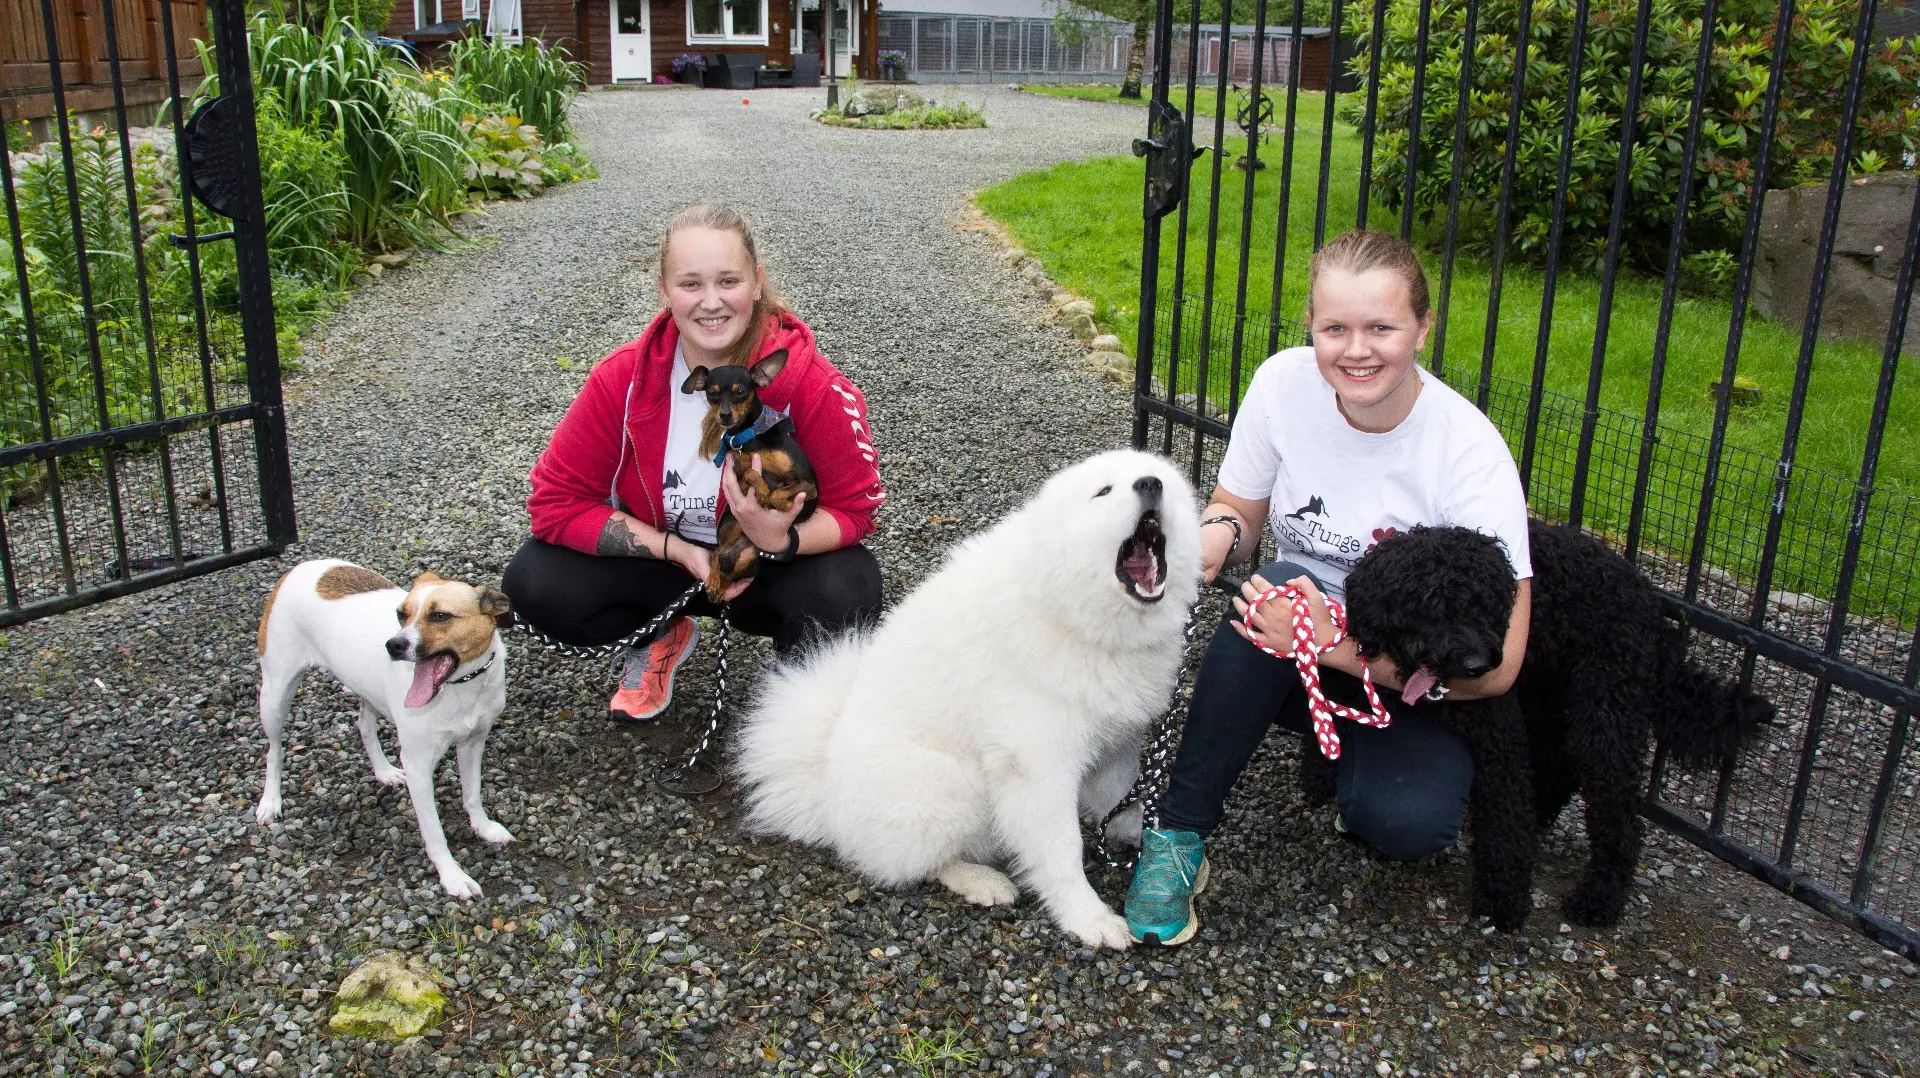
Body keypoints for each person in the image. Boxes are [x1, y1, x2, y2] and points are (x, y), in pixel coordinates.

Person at [1122, 229, 1533, 946]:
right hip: (1289, 640)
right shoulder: (1284, 384)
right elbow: (1241, 510)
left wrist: (1330, 647)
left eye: (1382, 327)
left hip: (1407, 672)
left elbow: (1500, 669)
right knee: (1278, 585)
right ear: (1311, 326)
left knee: (1409, 827)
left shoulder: (1467, 454)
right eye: (1334, 327)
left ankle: (1346, 755)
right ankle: (1179, 836)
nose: (1356, 350)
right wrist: (1212, 539)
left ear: (1423, 328)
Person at [504, 203, 886, 721]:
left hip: (767, 570)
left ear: (756, 284)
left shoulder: (813, 384)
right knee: (535, 583)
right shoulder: (621, 380)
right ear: (663, 291)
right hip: (665, 568)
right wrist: (675, 549)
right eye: (690, 284)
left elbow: (856, 509)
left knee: (850, 586)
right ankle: (662, 631)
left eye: (728, 280)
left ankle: (798, 706)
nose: (711, 302)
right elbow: (554, 503)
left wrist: (780, 538)